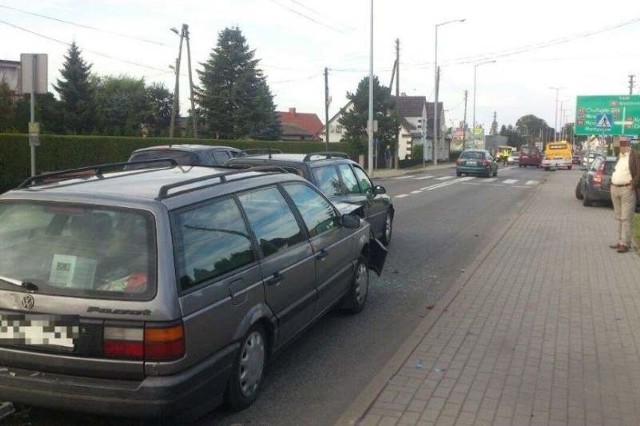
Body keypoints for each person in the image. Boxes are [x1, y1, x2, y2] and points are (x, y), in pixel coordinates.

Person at [609, 137, 640, 253]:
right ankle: (620, 241)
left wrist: (634, 184)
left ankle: (625, 244)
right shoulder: (620, 156)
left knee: (626, 218)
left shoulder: (635, 155)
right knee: (619, 217)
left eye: (620, 145)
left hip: (627, 189)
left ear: (627, 144)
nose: (619, 147)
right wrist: (611, 183)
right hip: (615, 189)